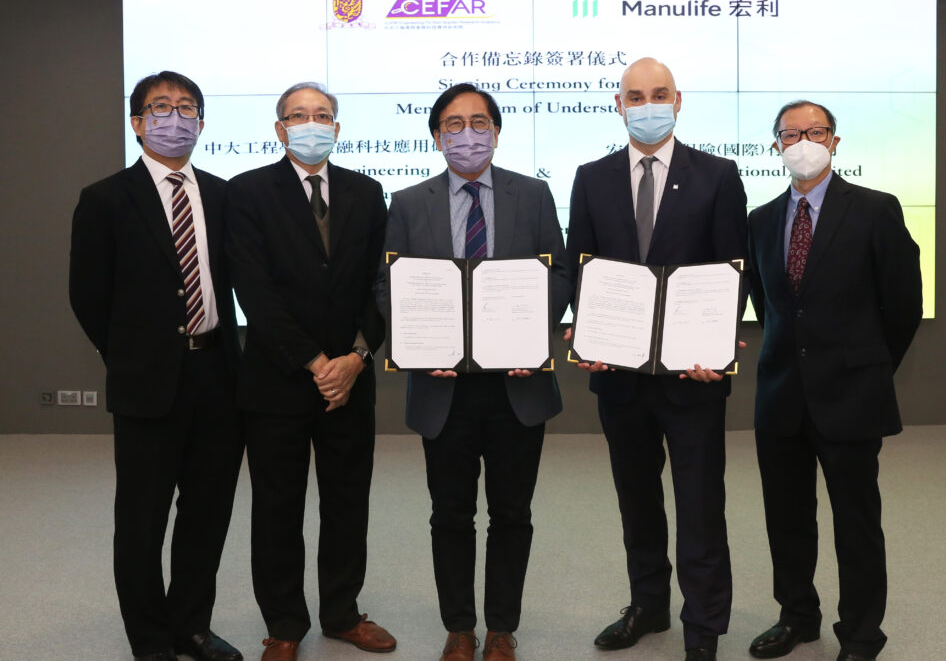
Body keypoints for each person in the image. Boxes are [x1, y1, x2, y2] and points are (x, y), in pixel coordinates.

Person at [376, 83, 571, 661]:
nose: (468, 134)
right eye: (454, 124)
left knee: (513, 512)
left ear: (497, 131)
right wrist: (417, 343)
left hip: (517, 385)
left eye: (479, 122)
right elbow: (388, 285)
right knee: (451, 514)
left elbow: (558, 274)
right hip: (444, 389)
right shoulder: (408, 202)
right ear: (437, 135)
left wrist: (530, 331)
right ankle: (460, 627)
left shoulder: (533, 195)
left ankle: (501, 629)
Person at [564, 58, 747, 661]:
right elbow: (579, 267)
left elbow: (732, 272)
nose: (647, 105)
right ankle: (648, 605)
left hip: (692, 379)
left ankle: (704, 627)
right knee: (636, 499)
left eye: (659, 94)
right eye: (635, 96)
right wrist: (582, 332)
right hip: (618, 378)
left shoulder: (719, 175)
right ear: (619, 105)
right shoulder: (591, 178)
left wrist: (717, 344)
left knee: (700, 505)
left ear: (678, 100)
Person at [69, 71, 244, 661]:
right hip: (147, 381)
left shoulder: (222, 195)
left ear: (201, 121)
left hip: (218, 374)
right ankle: (149, 639)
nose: (175, 117)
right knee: (142, 520)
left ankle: (191, 625)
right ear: (138, 122)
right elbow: (88, 295)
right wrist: (131, 356)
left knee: (207, 511)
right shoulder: (105, 198)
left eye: (186, 107)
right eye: (160, 107)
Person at [745, 101, 922, 661]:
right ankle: (797, 616)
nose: (803, 141)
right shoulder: (761, 220)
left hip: (850, 396)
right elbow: (768, 305)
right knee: (787, 519)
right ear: (775, 145)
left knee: (856, 523)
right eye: (790, 133)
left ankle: (863, 633)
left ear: (835, 141)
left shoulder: (875, 209)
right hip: (780, 397)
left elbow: (904, 304)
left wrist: (867, 366)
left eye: (814, 131)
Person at [225, 82, 394, 661]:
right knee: (277, 508)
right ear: (279, 129)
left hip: (353, 379)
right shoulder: (246, 193)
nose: (311, 123)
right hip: (277, 382)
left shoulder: (369, 192)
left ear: (338, 128)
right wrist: (318, 362)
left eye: (322, 115)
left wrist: (356, 356)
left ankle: (343, 613)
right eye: (298, 116)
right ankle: (284, 626)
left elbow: (383, 284)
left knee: (348, 502)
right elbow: (255, 292)